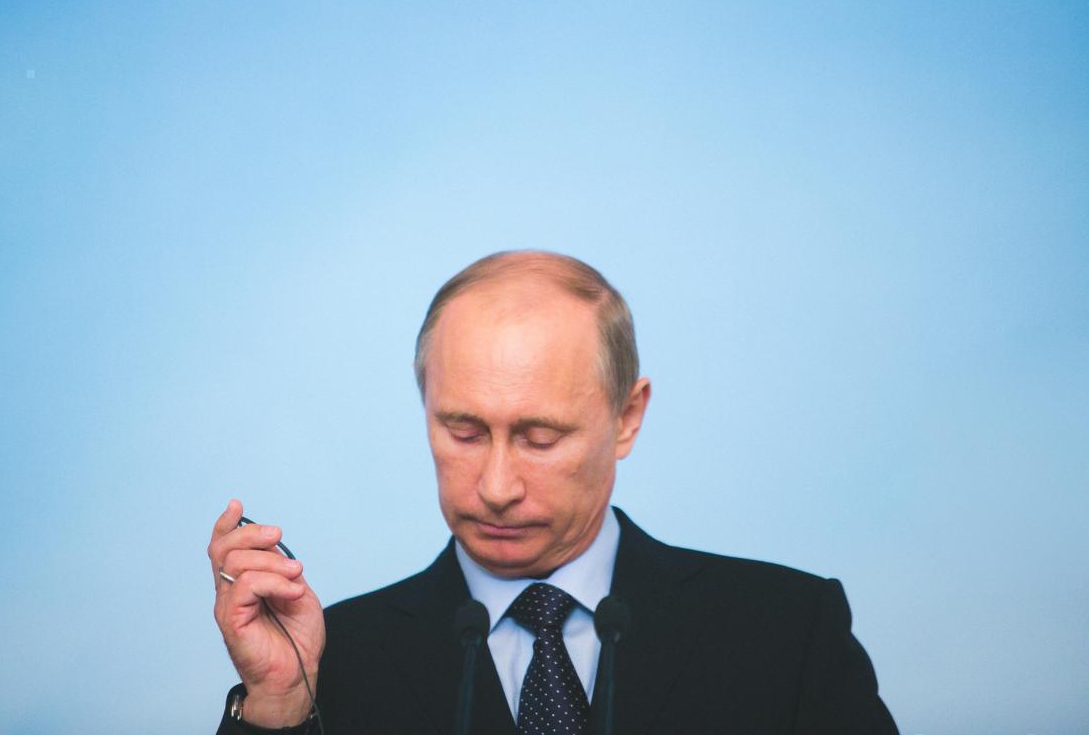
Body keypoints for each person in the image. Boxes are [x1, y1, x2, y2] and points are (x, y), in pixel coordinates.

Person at [208, 250, 898, 734]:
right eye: (464, 431)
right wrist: (278, 708)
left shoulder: (786, 632)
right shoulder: (331, 662)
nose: (496, 487)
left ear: (627, 417)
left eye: (539, 437)